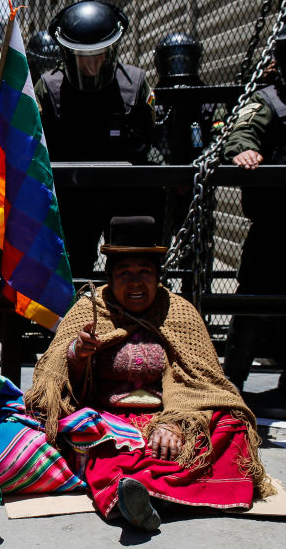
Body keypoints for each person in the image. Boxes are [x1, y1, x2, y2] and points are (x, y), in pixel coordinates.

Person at [20, 216, 271, 530]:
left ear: (158, 277)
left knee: (229, 425)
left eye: (144, 272)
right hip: (110, 418)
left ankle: (147, 495)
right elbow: (55, 378)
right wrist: (78, 354)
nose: (135, 282)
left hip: (171, 414)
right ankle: (154, 493)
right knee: (104, 443)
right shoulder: (90, 309)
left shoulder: (178, 311)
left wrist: (178, 423)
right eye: (124, 273)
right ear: (110, 279)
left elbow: (204, 382)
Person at [35, 0, 159, 277]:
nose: (91, 64)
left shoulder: (135, 84)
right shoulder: (48, 87)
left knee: (130, 265)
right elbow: (34, 146)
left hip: (124, 192)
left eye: (98, 55)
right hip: (71, 195)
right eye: (82, 56)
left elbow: (151, 138)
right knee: (73, 268)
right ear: (68, 55)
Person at [221, 26, 286, 401]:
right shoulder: (269, 100)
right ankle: (232, 385)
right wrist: (244, 150)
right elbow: (242, 131)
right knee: (252, 300)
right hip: (275, 224)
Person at [153, 32, 220, 165]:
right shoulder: (154, 99)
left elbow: (218, 134)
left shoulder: (207, 99)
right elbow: (146, 139)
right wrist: (162, 168)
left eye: (184, 59)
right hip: (162, 172)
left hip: (199, 167)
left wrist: (203, 161)